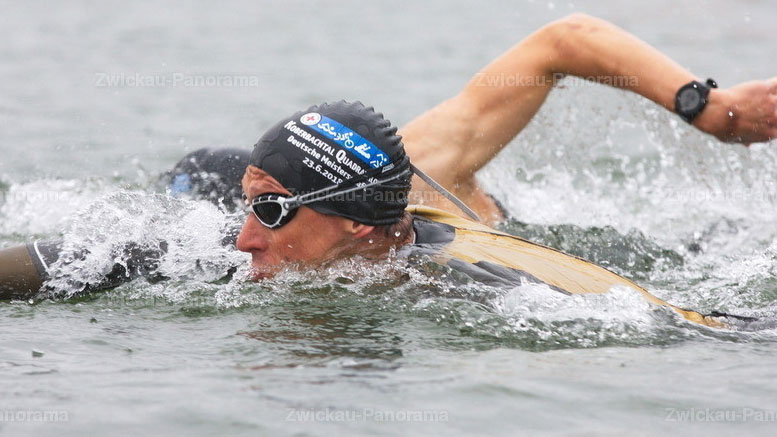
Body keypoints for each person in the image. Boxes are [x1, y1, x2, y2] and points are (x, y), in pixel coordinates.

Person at [1, 14, 774, 329]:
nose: (240, 240)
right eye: (245, 207)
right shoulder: (216, 243)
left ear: (359, 221)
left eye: (267, 212)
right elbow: (71, 258)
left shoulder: (417, 176)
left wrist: (709, 109)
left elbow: (564, 38)